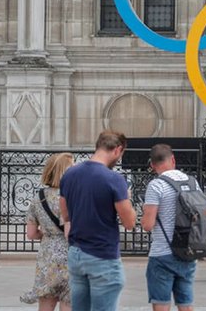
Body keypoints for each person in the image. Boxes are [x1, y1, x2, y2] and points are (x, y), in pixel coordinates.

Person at [59, 130, 136, 311]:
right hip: (102, 254)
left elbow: (65, 213)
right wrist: (127, 197)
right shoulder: (114, 179)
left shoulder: (70, 174)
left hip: (76, 253)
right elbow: (129, 222)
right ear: (117, 150)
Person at [141, 144, 203, 311]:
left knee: (161, 305)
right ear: (173, 159)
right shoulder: (192, 182)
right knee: (186, 305)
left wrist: (143, 213)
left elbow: (147, 225)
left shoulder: (156, 185)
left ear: (152, 165)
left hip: (162, 254)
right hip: (187, 252)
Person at [21, 153, 74, 311]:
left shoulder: (38, 198)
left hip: (47, 256)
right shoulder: (72, 197)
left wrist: (46, 234)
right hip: (70, 255)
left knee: (46, 304)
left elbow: (31, 234)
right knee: (68, 302)